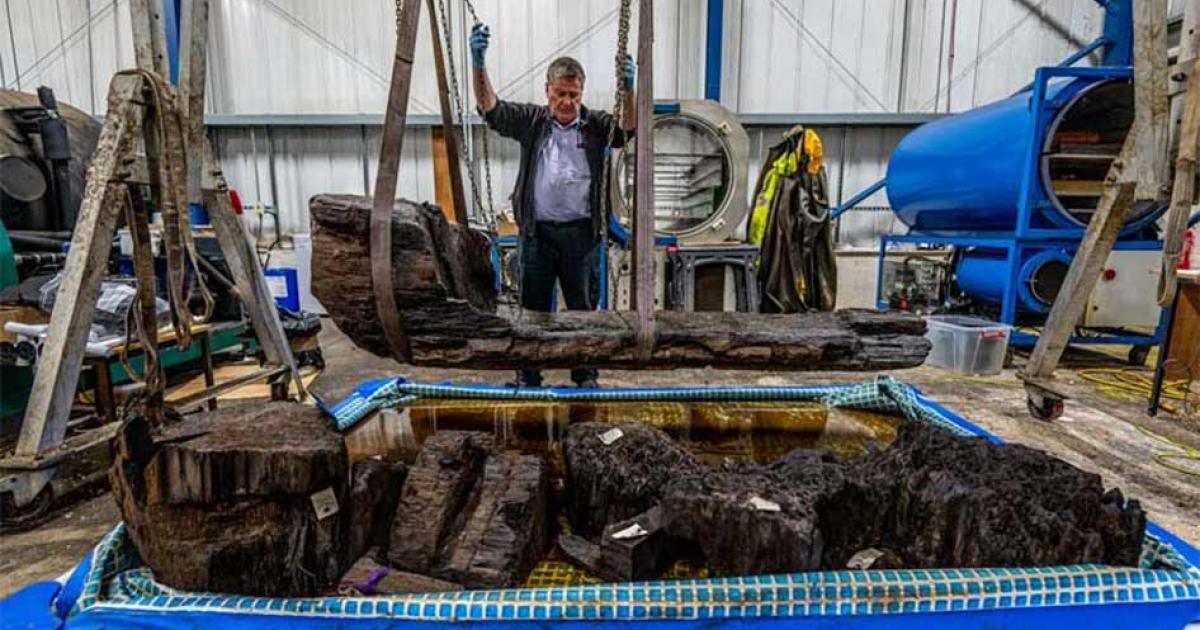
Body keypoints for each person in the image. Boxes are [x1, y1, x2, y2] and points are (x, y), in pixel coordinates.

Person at [470, 23, 636, 388]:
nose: (567, 102)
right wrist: (478, 63)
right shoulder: (532, 122)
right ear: (547, 91)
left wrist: (629, 89)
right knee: (533, 313)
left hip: (581, 238)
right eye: (560, 93)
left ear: (581, 94)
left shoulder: (595, 126)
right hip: (538, 237)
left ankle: (585, 375)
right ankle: (529, 375)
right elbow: (491, 109)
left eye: (574, 95)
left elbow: (627, 128)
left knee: (583, 313)